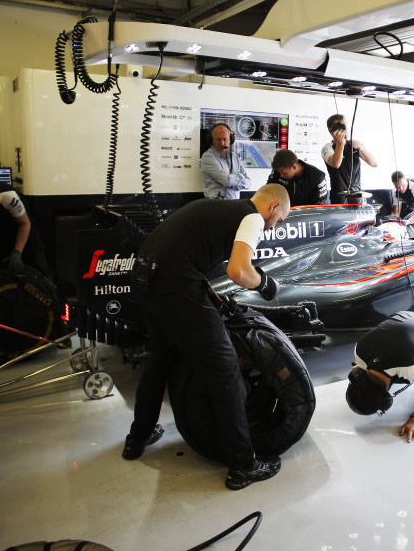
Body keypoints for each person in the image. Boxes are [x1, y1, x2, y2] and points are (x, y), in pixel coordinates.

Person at [124, 184, 291, 489]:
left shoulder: (221, 209)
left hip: (144, 277)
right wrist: (266, 284)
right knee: (226, 371)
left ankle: (138, 437)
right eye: (278, 220)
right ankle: (242, 466)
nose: (273, 227)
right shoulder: (252, 217)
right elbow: (239, 271)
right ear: (273, 207)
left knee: (160, 359)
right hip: (175, 286)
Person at [345, 311, 414, 444]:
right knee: (389, 372)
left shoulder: (409, 368)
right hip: (409, 318)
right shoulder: (359, 352)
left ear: (387, 400)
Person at [321, 114, 377, 203]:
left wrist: (361, 149)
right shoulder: (327, 147)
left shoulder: (354, 144)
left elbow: (374, 163)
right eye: (340, 127)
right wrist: (340, 143)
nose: (344, 130)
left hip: (357, 196)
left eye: (345, 126)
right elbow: (336, 164)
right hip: (339, 198)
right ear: (331, 130)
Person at [200, 123, 251, 199]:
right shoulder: (208, 157)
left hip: (235, 203)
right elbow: (226, 181)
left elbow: (248, 183)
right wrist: (240, 177)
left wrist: (229, 177)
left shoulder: (235, 157)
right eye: (218, 139)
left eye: (224, 139)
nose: (222, 143)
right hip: (217, 204)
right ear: (211, 140)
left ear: (230, 139)